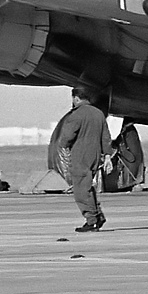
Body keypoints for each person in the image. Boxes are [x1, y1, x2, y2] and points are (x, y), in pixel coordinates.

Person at [49, 86, 114, 232]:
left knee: (81, 189)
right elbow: (106, 137)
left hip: (81, 156)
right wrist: (108, 155)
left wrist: (64, 146)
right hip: (96, 155)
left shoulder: (76, 115)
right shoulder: (98, 114)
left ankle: (92, 220)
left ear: (76, 98)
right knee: (88, 187)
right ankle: (98, 217)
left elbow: (66, 138)